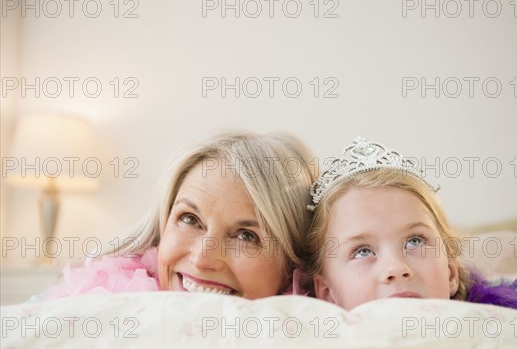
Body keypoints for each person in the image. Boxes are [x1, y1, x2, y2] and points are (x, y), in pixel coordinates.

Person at [301, 137, 517, 331]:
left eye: (415, 241)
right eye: (363, 251)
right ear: (327, 293)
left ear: (451, 271)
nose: (396, 269)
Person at [40, 129, 317, 300]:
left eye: (246, 236)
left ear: (291, 267)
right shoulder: (84, 313)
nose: (202, 258)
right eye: (190, 219)